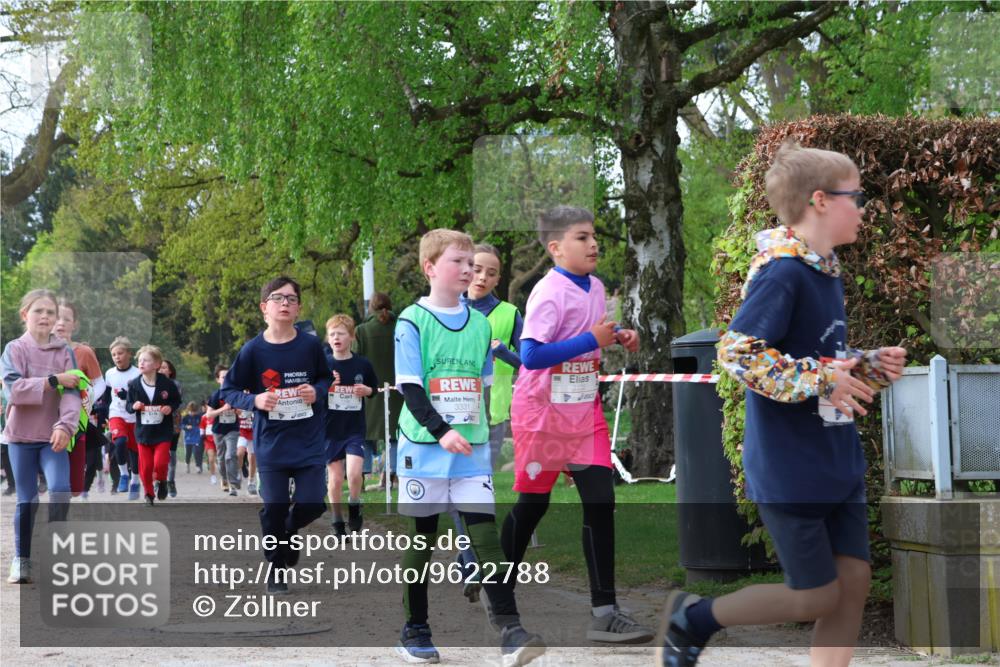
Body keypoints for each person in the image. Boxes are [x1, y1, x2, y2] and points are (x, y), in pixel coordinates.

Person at [658, 141, 908, 667]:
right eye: (855, 196)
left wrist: (865, 366)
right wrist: (824, 376)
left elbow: (816, 362)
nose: (862, 206)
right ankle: (695, 618)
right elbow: (738, 353)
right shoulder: (784, 273)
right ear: (821, 200)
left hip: (835, 461)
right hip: (790, 466)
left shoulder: (823, 271)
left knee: (855, 581)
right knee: (815, 595)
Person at [498, 206, 653, 644]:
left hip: (583, 413)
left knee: (601, 502)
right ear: (555, 248)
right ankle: (496, 581)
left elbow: (593, 328)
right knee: (533, 507)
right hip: (544, 414)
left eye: (594, 236)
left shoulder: (597, 286)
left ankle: (604, 612)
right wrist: (592, 341)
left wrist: (618, 332)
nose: (593, 244)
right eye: (582, 237)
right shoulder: (548, 292)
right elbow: (530, 355)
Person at [393, 229, 545, 666]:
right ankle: (415, 629)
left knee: (484, 537)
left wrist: (472, 431)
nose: (468, 270)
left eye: (472, 263)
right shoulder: (411, 321)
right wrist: (441, 430)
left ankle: (511, 630)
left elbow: (480, 386)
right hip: (423, 446)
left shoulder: (481, 325)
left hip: (470, 450)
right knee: (422, 541)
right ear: (430, 268)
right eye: (459, 262)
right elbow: (410, 387)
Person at [220, 276, 331, 594]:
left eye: (291, 299)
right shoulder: (253, 350)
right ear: (264, 307)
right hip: (271, 443)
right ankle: (277, 567)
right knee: (274, 507)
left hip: (308, 440)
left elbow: (325, 380)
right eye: (278, 298)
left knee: (312, 504)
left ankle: (289, 529)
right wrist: (253, 400)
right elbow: (228, 390)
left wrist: (317, 390)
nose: (285, 303)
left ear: (298, 309)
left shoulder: (310, 345)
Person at [1, 289, 81, 584]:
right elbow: (14, 391)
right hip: (20, 437)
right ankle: (21, 560)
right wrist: (52, 380)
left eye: (50, 312)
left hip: (53, 437)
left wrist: (65, 425)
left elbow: (72, 393)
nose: (45, 317)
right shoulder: (14, 349)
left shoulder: (64, 352)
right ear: (25, 315)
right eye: (39, 311)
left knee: (60, 489)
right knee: (27, 500)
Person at [465, 243, 522, 470]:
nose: (482, 278)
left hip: (493, 416)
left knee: (481, 479)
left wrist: (504, 353)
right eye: (477, 270)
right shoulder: (445, 310)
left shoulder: (510, 314)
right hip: (451, 410)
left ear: (498, 279)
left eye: (490, 273)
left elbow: (530, 364)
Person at [323, 314, 377, 539]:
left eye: (341, 333)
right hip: (330, 429)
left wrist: (367, 391)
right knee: (335, 479)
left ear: (352, 337)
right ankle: (337, 520)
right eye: (332, 334)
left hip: (354, 428)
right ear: (328, 338)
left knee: (355, 473)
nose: (336, 338)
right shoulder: (324, 363)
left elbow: (373, 388)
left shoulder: (362, 363)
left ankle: (354, 504)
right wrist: (327, 384)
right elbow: (312, 393)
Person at [53, 299, 105, 499]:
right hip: (48, 422)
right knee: (55, 478)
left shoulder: (84, 352)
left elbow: (99, 383)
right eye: (56, 318)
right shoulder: (39, 352)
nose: (61, 323)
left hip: (77, 422)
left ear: (74, 324)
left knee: (75, 486)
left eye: (67, 319)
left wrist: (87, 399)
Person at [354, 292, 403, 490]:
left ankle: (362, 479)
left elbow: (356, 360)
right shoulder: (401, 327)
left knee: (365, 435)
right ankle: (389, 477)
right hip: (398, 391)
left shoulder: (361, 331)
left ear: (371, 309)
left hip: (369, 392)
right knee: (394, 436)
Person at [124, 345, 181, 506]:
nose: (141, 363)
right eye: (140, 360)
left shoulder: (167, 384)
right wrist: (134, 406)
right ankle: (149, 494)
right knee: (146, 466)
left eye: (146, 360)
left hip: (163, 431)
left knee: (160, 463)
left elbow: (176, 400)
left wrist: (170, 407)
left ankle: (162, 481)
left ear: (156, 364)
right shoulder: (134, 384)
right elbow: (128, 405)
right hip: (143, 433)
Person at [105, 337, 142, 500]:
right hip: (116, 414)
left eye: (120, 353)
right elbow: (106, 396)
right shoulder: (110, 373)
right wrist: (102, 413)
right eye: (114, 355)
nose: (117, 357)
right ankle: (123, 475)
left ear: (129, 354)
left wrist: (128, 396)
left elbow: (144, 395)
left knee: (135, 452)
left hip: (135, 417)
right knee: (119, 442)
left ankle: (135, 481)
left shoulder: (138, 373)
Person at [206, 365, 240, 496]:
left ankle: (233, 484)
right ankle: (224, 479)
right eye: (223, 377)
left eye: (228, 377)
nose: (226, 379)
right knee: (221, 458)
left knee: (230, 456)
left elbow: (242, 412)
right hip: (218, 431)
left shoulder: (236, 394)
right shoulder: (216, 395)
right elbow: (209, 415)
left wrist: (237, 410)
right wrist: (223, 409)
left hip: (232, 429)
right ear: (218, 380)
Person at [160, 359, 182, 497]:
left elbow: (177, 402)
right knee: (159, 452)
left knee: (171, 452)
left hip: (173, 421)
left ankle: (171, 481)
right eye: (159, 368)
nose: (161, 370)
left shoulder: (176, 384)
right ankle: (158, 480)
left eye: (164, 368)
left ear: (170, 371)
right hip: (156, 422)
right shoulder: (151, 383)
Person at [235, 398, 257, 495]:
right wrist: (236, 411)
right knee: (240, 453)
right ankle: (238, 473)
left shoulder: (256, 402)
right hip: (242, 432)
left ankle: (251, 482)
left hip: (253, 433)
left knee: (252, 458)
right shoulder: (238, 401)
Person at [181, 402, 203, 473]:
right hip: (188, 438)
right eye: (191, 411)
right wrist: (186, 426)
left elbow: (203, 424)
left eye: (194, 411)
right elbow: (181, 425)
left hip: (197, 437)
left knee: (197, 452)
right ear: (189, 410)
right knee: (188, 453)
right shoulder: (185, 417)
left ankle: (198, 466)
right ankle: (187, 464)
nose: (193, 413)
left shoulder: (199, 417)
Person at [199, 405, 218, 484]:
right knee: (211, 459)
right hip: (208, 440)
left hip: (218, 439)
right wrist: (202, 435)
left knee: (220, 458)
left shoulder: (218, 415)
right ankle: (213, 476)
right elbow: (202, 428)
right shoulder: (204, 417)